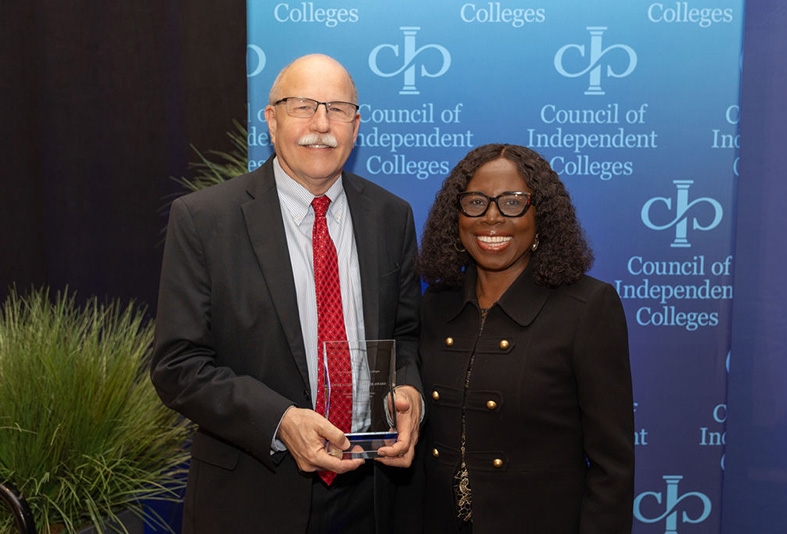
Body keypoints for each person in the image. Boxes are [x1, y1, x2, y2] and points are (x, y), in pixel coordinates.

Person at [151, 54, 423, 534]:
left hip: (372, 497)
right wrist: (279, 421)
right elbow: (178, 366)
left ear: (356, 126)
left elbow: (406, 336)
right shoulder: (204, 220)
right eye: (303, 106)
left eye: (338, 109)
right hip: (253, 496)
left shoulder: (391, 216)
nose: (322, 124)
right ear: (271, 121)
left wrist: (410, 393)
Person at [416, 144, 634, 533]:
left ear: (541, 215)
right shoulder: (435, 304)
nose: (492, 217)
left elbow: (612, 468)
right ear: (456, 214)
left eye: (513, 202)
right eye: (476, 202)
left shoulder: (587, 308)